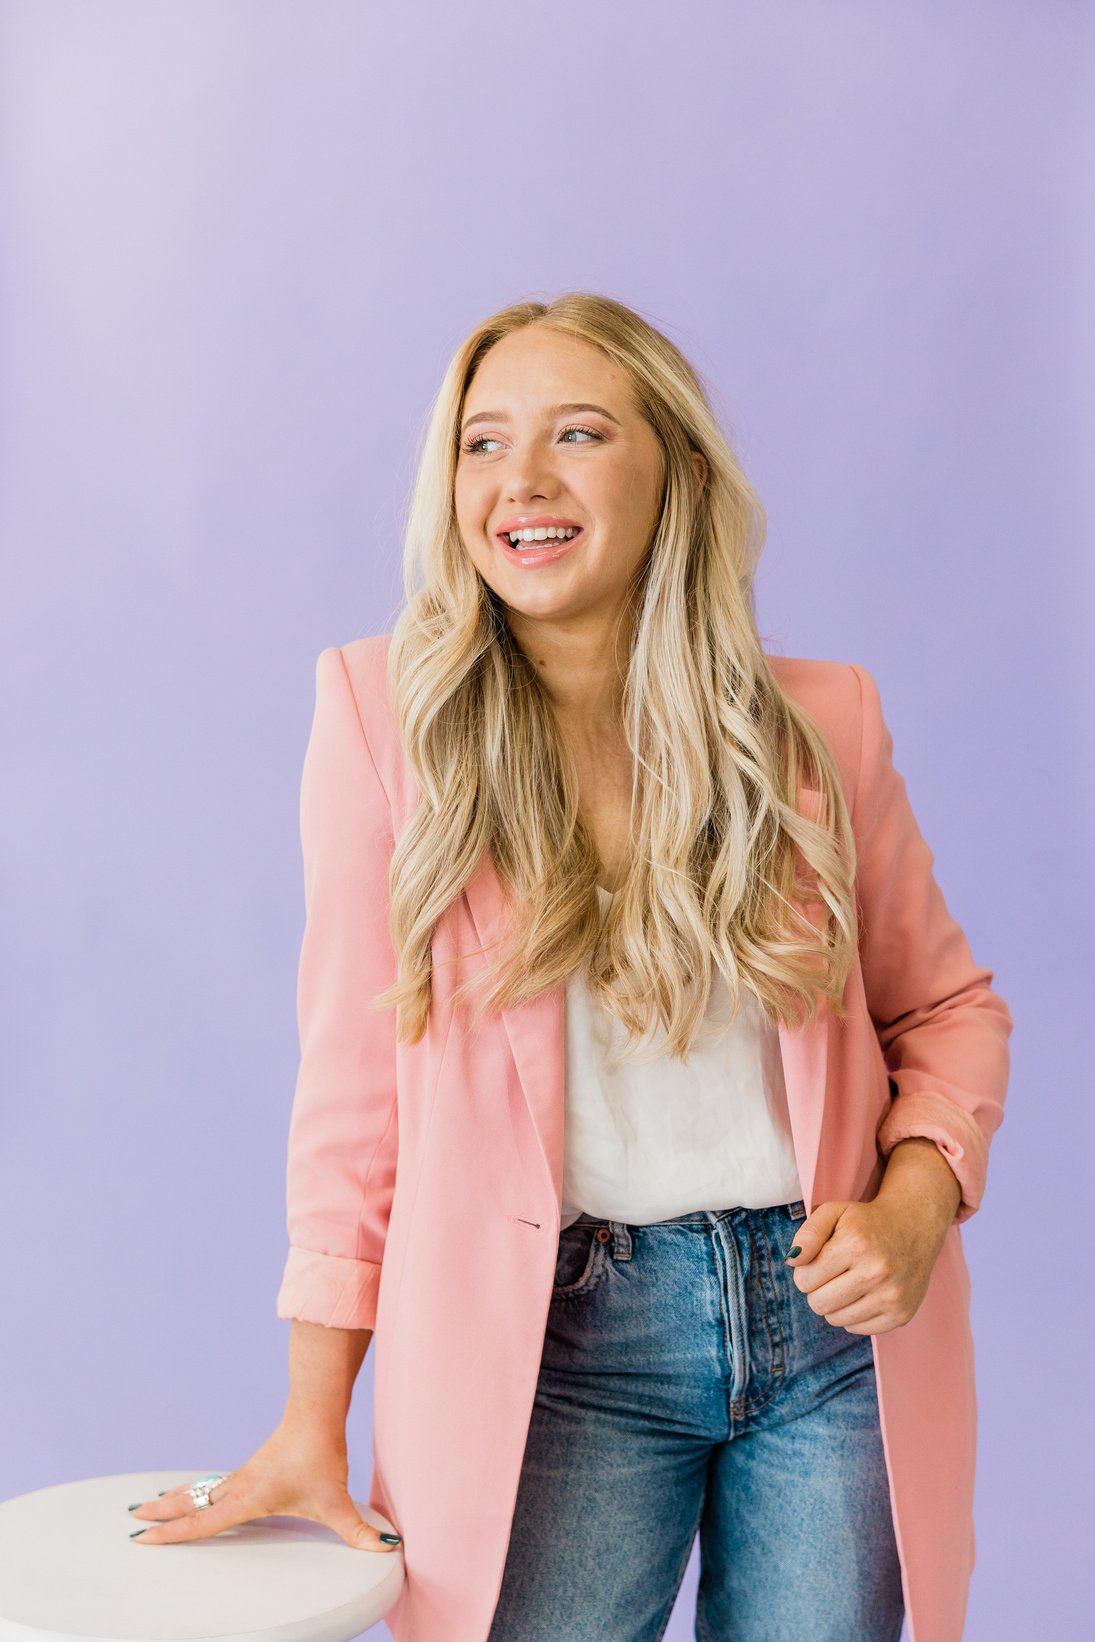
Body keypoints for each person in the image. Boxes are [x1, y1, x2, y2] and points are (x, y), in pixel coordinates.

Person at [126, 293, 1012, 1642]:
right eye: (482, 444)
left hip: (832, 1340)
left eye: (579, 434)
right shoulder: (384, 726)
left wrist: (910, 1207)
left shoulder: (821, 727)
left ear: (679, 472)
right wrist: (313, 1413)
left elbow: (949, 1011)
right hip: (560, 1347)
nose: (522, 482)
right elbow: (355, 1100)